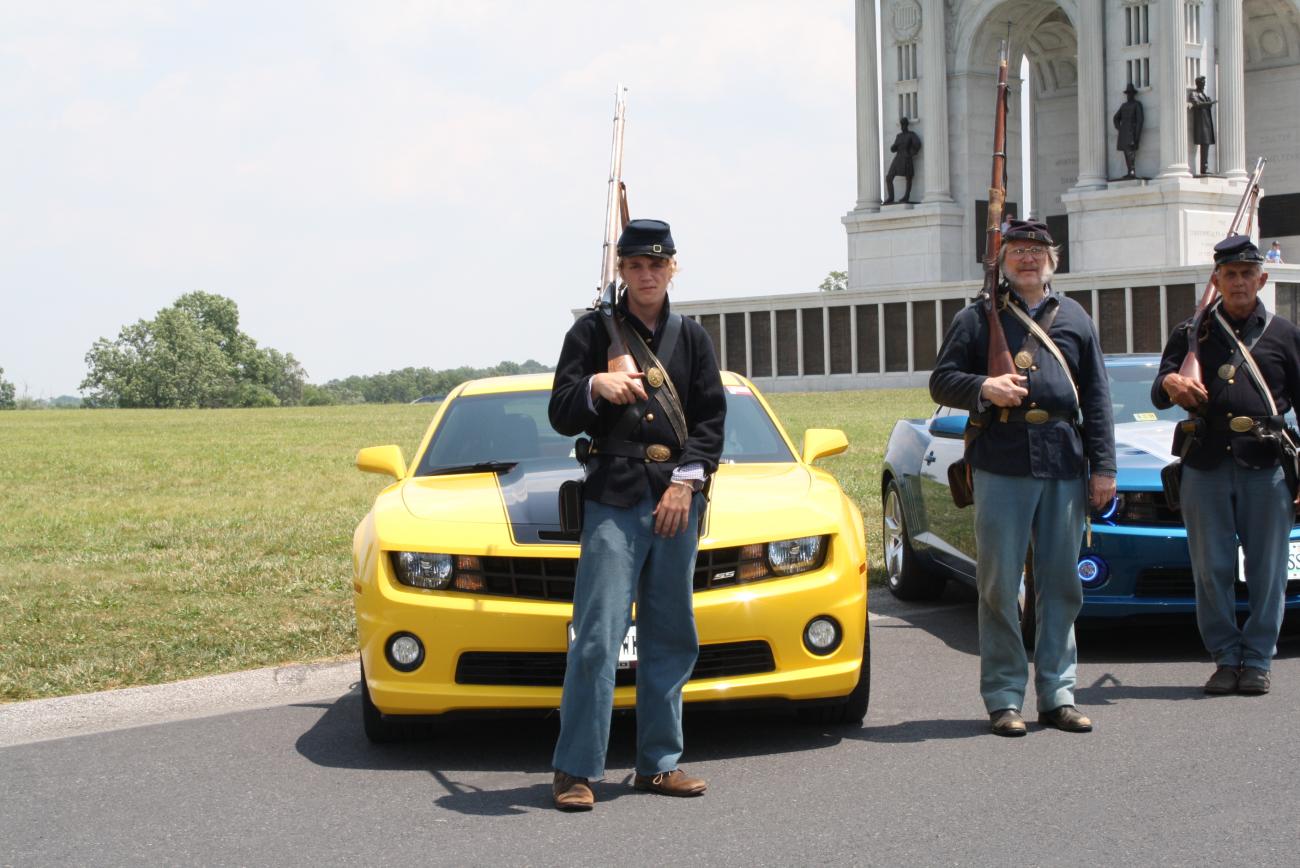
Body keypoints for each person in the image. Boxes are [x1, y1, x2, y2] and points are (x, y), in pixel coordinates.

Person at [547, 218, 726, 810]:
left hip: (677, 498)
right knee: (597, 637)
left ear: (673, 268)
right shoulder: (590, 332)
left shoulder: (693, 338)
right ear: (619, 271)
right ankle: (576, 769)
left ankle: (659, 764)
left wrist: (686, 482)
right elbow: (561, 413)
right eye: (634, 266)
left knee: (672, 635)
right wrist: (596, 384)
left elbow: (709, 422)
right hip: (614, 497)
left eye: (657, 264)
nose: (646, 275)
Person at [930, 219, 1116, 737]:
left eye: (1037, 250)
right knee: (997, 585)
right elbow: (941, 379)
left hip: (1062, 461)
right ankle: (1004, 696)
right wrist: (985, 387)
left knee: (1061, 585)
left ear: (1052, 259)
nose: (1027, 259)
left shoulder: (1075, 316)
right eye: (1017, 250)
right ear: (1002, 260)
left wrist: (1103, 468)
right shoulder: (976, 318)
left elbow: (1097, 399)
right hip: (1002, 459)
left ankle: (1058, 694)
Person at [1151, 236, 1299, 697]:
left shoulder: (1284, 334)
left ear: (1263, 278)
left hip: (1265, 460)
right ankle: (1224, 657)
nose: (1238, 282)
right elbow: (1159, 394)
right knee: (1210, 568)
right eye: (1229, 274)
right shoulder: (1191, 331)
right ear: (1216, 280)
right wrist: (1173, 382)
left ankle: (1256, 660)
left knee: (1268, 569)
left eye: (1246, 274)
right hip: (1207, 460)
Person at [883, 117, 922, 204]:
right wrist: (893, 147)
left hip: (906, 157)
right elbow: (894, 147)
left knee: (908, 177)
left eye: (904, 124)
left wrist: (911, 153)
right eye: (901, 124)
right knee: (889, 177)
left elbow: (918, 144)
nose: (902, 126)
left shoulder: (911, 134)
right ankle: (891, 197)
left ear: (907, 125)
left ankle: (906, 196)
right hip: (898, 158)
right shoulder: (899, 136)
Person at [1113, 83, 1144, 179]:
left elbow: (1140, 121)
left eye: (1130, 93)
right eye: (1128, 94)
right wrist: (1120, 128)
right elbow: (1115, 118)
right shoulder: (1123, 106)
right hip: (1124, 133)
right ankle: (1130, 170)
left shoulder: (1137, 104)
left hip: (1131, 133)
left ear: (1133, 94)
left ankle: (1132, 171)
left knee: (1130, 153)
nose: (1128, 95)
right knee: (1126, 153)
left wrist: (1137, 135)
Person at [1188, 75, 1217, 176]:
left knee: (1207, 144)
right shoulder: (1194, 94)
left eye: (1204, 83)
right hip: (1201, 124)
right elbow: (1196, 104)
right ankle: (1203, 168)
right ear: (1198, 83)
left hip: (1207, 123)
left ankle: (1205, 167)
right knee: (1204, 144)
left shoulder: (1204, 94)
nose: (1204, 85)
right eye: (1203, 83)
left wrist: (1209, 102)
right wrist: (1209, 103)